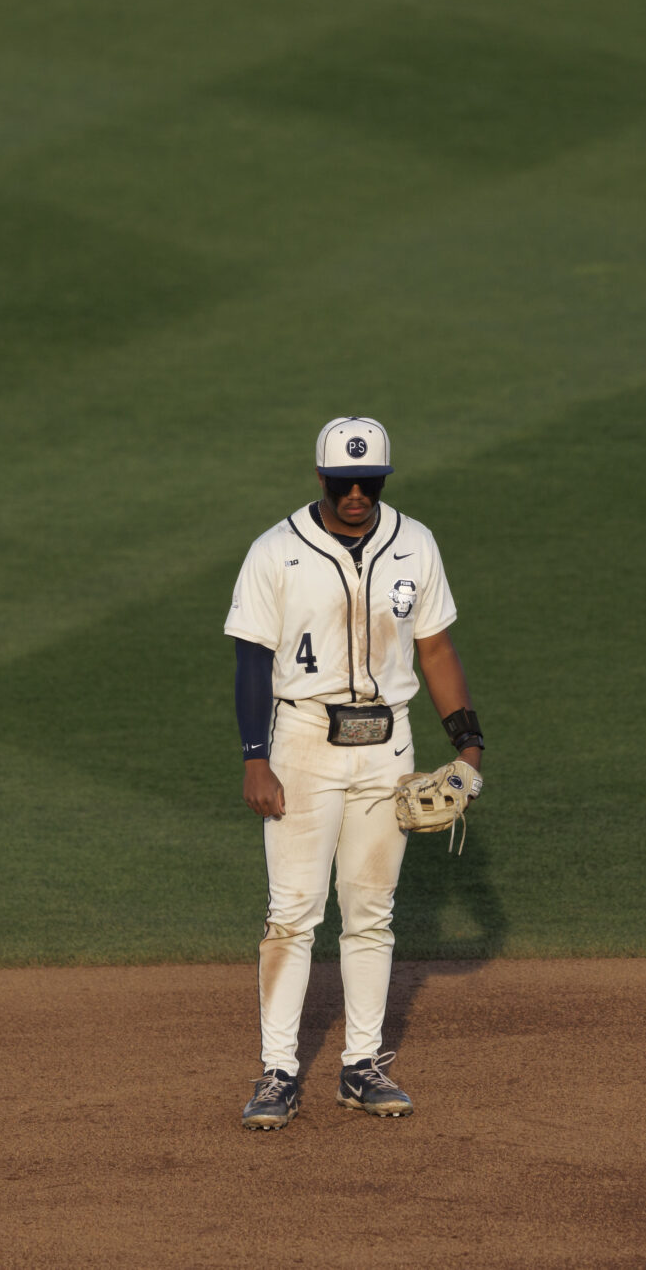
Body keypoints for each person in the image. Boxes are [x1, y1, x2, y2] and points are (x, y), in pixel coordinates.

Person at [222, 416, 487, 1129]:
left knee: (371, 913)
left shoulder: (416, 543)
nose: (358, 494)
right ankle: (277, 1072)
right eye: (344, 483)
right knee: (294, 913)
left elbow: (434, 649)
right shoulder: (275, 551)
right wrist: (255, 756)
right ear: (321, 479)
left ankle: (361, 1067)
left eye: (370, 482)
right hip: (302, 744)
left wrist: (468, 746)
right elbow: (251, 659)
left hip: (387, 746)